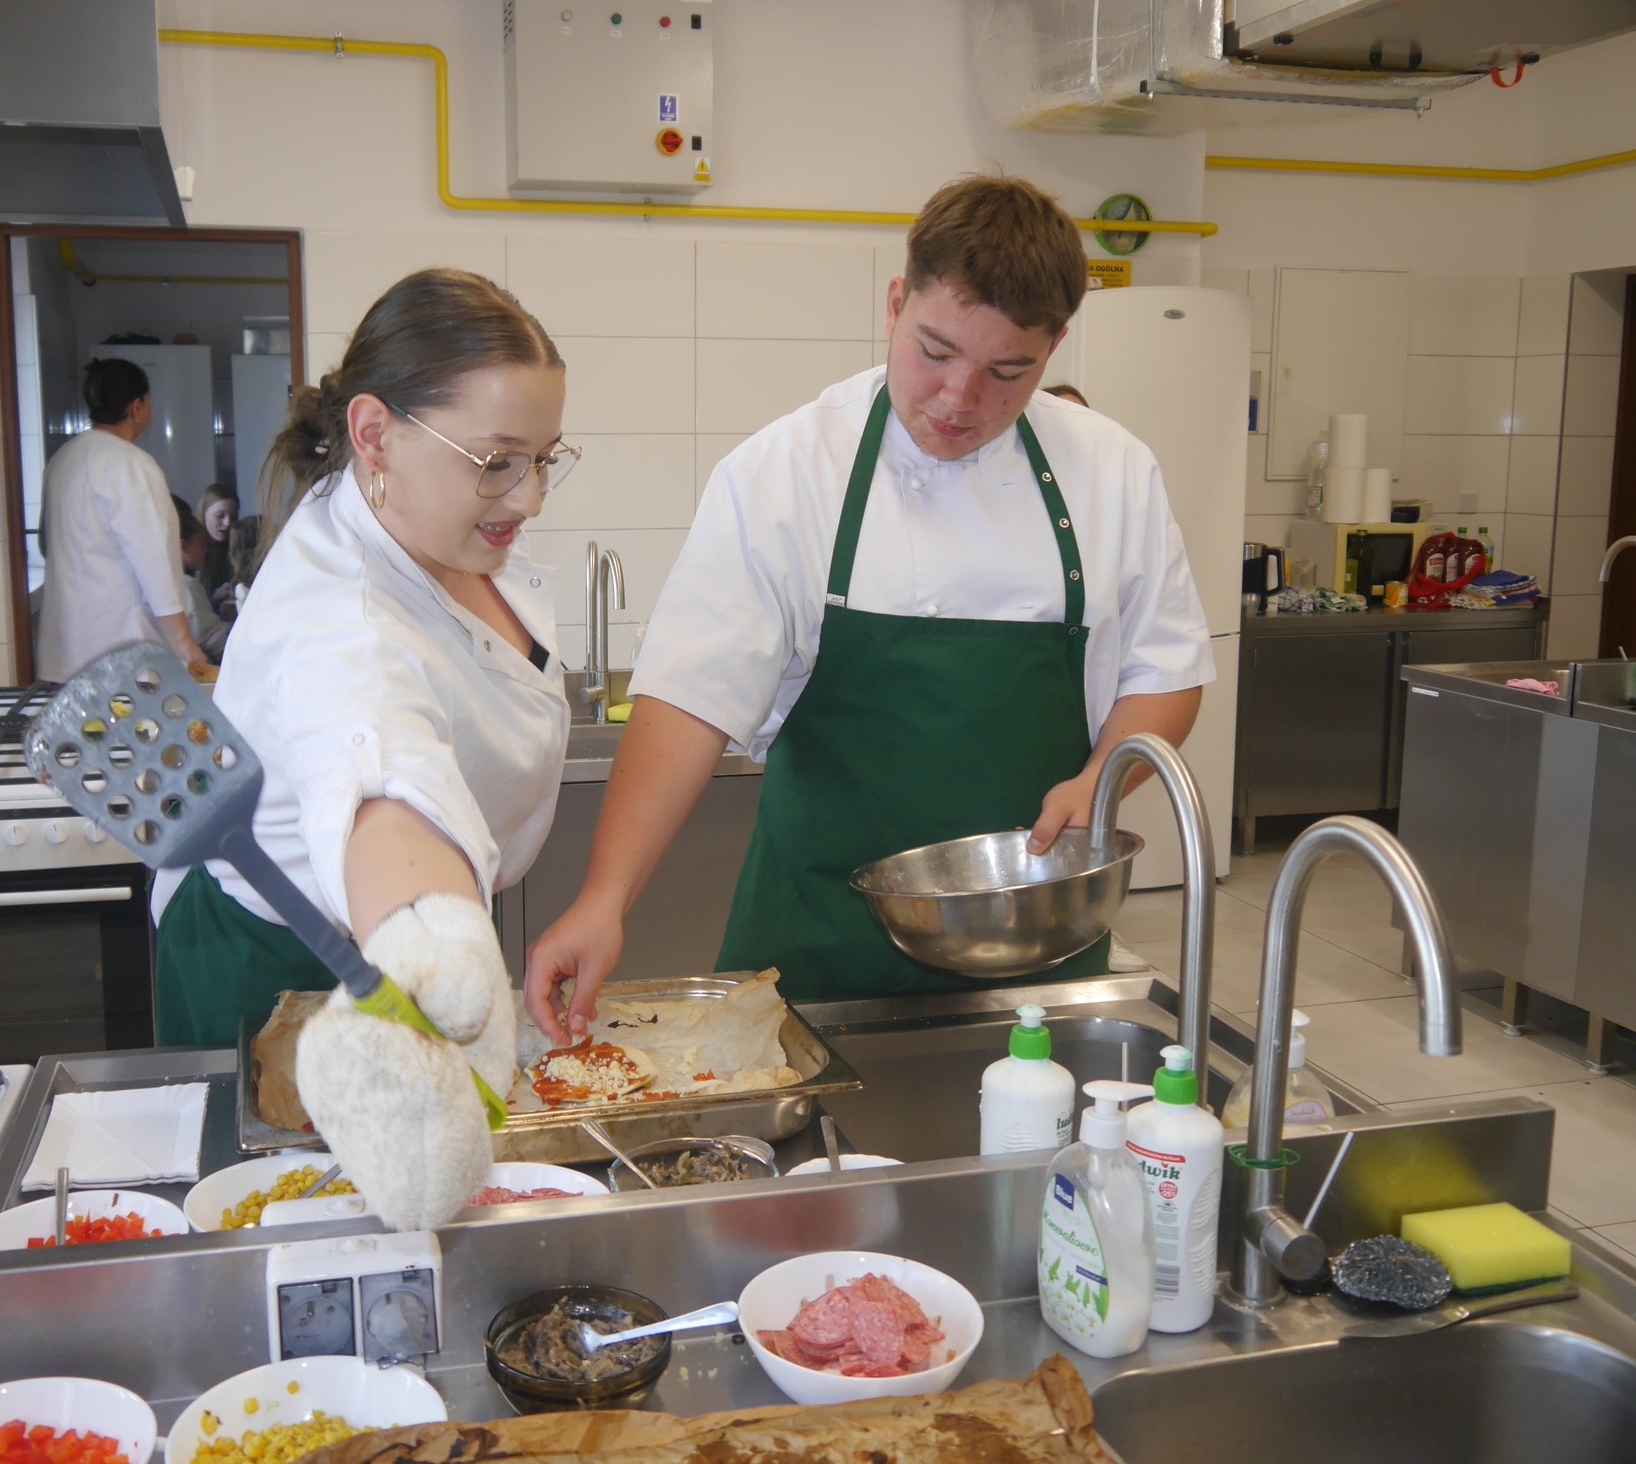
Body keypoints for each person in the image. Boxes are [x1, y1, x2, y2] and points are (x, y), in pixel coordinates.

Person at [525, 175, 1213, 1040]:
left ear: (1055, 347)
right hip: (818, 948)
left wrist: (1101, 779)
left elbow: (1165, 670)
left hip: (1036, 953)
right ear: (896, 304)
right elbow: (689, 699)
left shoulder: (1112, 472)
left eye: (1008, 373)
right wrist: (605, 896)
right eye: (935, 351)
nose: (959, 398)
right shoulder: (785, 472)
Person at [149, 267, 582, 1056]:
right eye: (496, 462)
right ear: (375, 433)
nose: (531, 499)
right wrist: (435, 956)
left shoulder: (435, 529)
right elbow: (381, 782)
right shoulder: (337, 622)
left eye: (545, 458)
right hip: (280, 971)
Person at [35, 358, 207, 681]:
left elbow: (46, 544)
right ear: (137, 407)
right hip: (120, 652)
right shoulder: (130, 464)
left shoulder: (62, 459)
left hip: (62, 650)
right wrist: (185, 642)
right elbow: (154, 561)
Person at [172, 496, 228, 663]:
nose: (206, 549)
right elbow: (215, 640)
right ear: (183, 546)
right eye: (202, 542)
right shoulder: (186, 586)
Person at [198, 482, 240, 614]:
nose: (227, 523)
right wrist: (213, 598)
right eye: (220, 516)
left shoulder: (237, 550)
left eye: (233, 517)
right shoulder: (190, 553)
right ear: (204, 514)